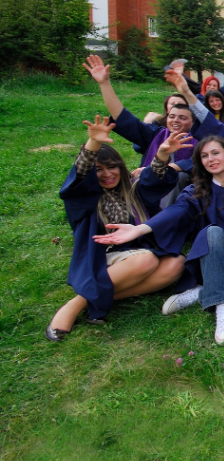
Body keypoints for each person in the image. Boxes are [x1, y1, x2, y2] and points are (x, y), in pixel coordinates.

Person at [94, 135, 224, 345]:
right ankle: (223, 307)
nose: (211, 159)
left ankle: (203, 292)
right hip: (215, 250)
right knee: (213, 231)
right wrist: (140, 229)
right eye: (205, 156)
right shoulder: (197, 191)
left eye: (216, 153)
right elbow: (176, 211)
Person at [47, 116, 188, 341]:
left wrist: (162, 154)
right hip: (102, 256)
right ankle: (75, 305)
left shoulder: (133, 190)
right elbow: (80, 175)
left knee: (177, 264)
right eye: (99, 170)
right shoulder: (85, 200)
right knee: (147, 261)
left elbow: (152, 180)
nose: (107, 174)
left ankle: (99, 299)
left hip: (138, 251)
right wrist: (93, 144)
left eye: (112, 167)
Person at [86, 56, 197, 173]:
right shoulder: (156, 134)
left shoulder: (198, 139)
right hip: (149, 182)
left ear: (192, 122)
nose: (175, 120)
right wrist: (104, 83)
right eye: (172, 116)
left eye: (182, 118)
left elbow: (197, 163)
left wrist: (165, 168)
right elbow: (123, 118)